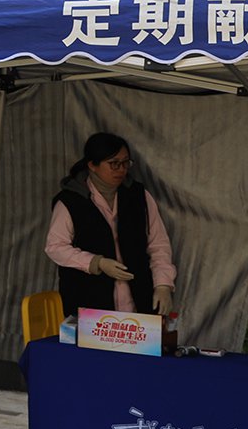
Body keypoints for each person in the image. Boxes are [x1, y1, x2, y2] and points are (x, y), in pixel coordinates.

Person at [45, 131, 176, 316]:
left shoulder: (138, 195)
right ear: (92, 165)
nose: (121, 169)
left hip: (137, 299)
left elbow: (158, 243)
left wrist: (163, 284)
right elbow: (55, 247)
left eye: (125, 163)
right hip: (89, 302)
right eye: (114, 164)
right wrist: (96, 262)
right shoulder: (70, 200)